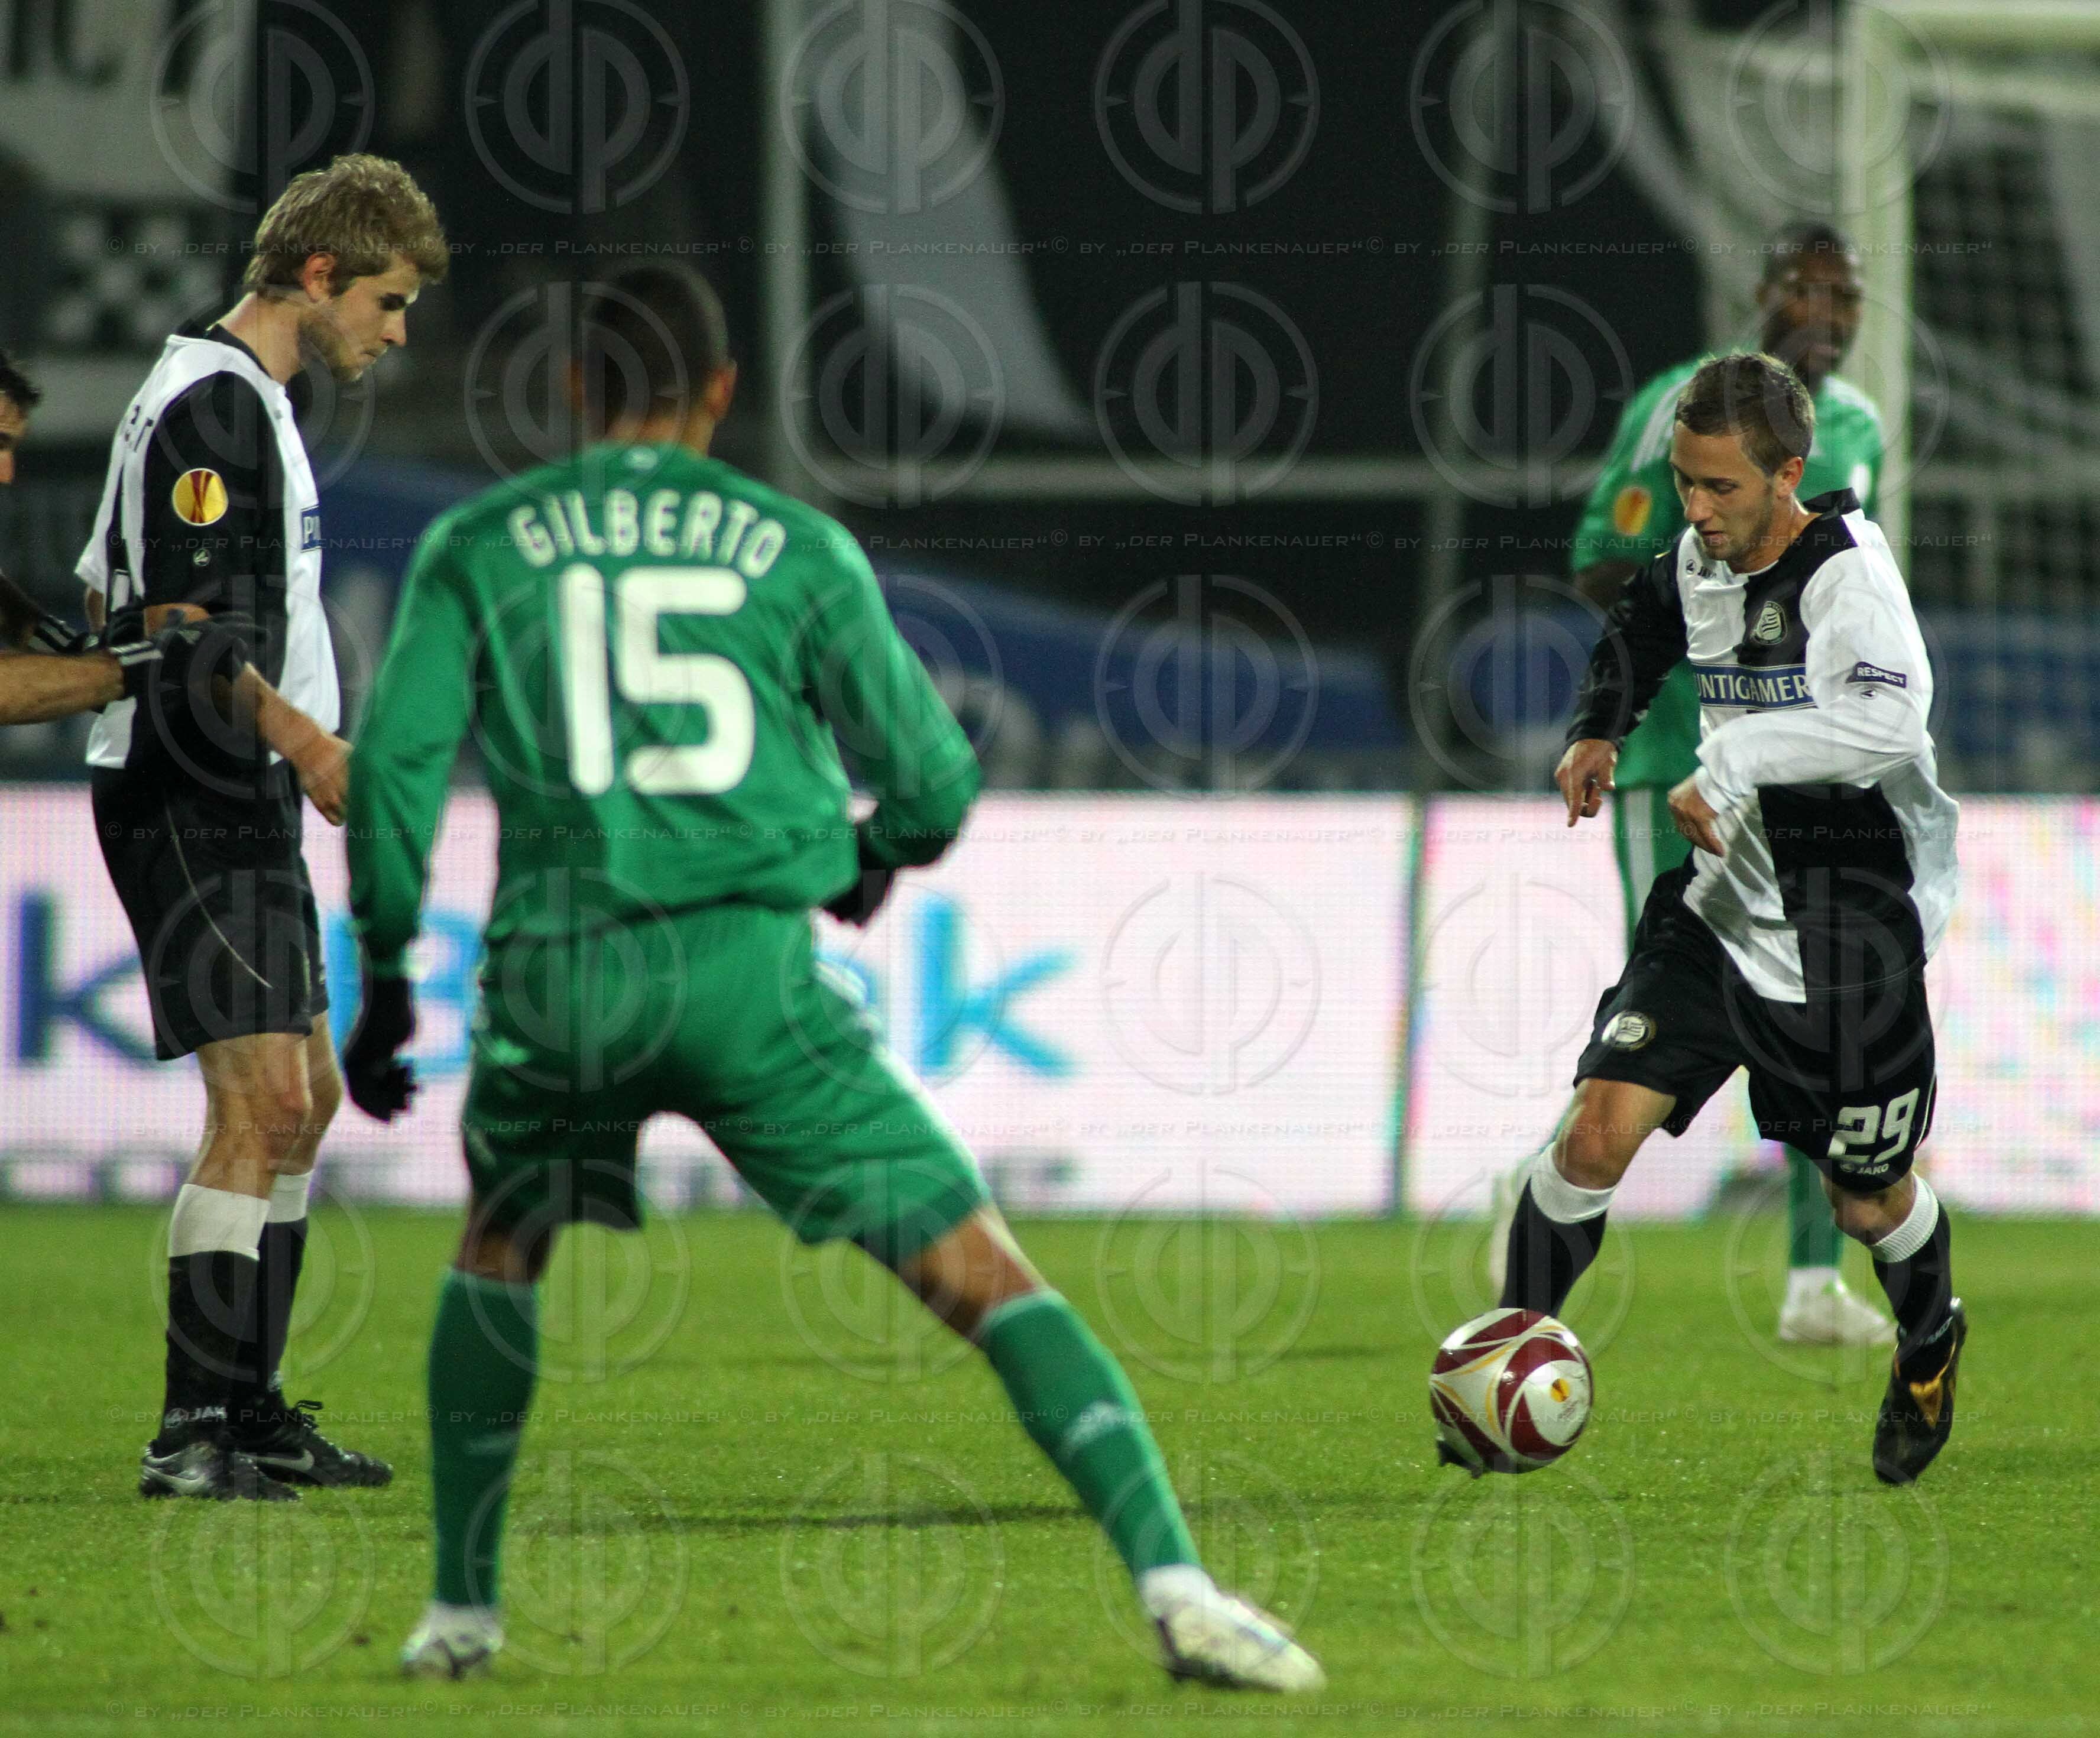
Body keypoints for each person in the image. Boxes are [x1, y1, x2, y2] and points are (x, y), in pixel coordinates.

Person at [342, 264, 1324, 1692]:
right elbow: (931, 774)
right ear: (721, 393)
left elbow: (401, 776)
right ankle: (1178, 1591)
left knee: (502, 1245)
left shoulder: (480, 544)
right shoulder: (794, 546)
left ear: (569, 390)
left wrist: (380, 970)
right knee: (984, 1277)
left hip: (564, 981)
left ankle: (461, 1617)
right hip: (751, 974)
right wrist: (874, 858)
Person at [1499, 351, 1963, 1486]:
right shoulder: (1695, 561)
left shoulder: (1850, 576)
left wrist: (1740, 759)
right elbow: (1642, 627)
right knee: (1594, 1131)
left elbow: (1884, 731)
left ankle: (1931, 1339)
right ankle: (1509, 1359)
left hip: (1851, 930)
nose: (1693, 511)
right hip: (1719, 906)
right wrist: (1599, 727)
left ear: (1786, 475)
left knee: (1865, 1200)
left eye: (1718, 490)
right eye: (1685, 483)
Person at [79, 154, 449, 1502]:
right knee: (263, 1100)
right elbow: (183, 636)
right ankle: (192, 1435)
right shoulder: (216, 408)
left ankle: (250, 1413)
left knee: (308, 1100)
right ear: (318, 274)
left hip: (243, 787)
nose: (394, 333)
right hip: (191, 781)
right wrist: (313, 745)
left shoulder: (243, 403)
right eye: (389, 302)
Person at [1505, 222, 1895, 1346]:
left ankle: (1813, 1284)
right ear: (1761, 294)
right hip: (1682, 757)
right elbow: (1597, 556)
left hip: (1806, 769)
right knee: (1667, 997)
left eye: (1843, 292)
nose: (1823, 309)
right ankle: (1556, 1181)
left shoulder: (1859, 423)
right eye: (1801, 288)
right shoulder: (1682, 408)